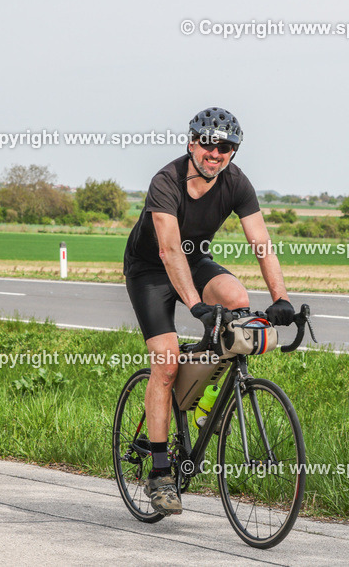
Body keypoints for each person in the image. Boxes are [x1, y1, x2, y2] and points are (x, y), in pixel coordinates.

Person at [123, 108, 295, 515]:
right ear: (191, 142)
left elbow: (262, 243)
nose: (215, 152)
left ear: (233, 152)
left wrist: (281, 298)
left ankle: (204, 404)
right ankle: (161, 473)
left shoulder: (236, 182)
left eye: (226, 146)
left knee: (237, 301)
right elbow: (167, 250)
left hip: (195, 262)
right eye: (208, 143)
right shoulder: (166, 181)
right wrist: (197, 305)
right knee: (165, 362)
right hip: (150, 270)